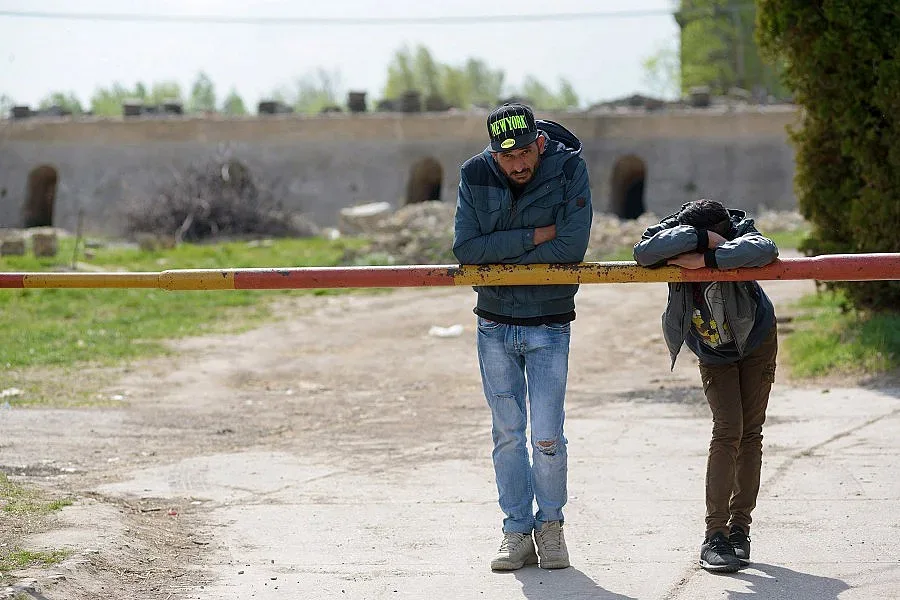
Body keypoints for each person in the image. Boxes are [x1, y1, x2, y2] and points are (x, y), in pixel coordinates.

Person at [453, 103, 592, 571]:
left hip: (550, 323)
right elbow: (467, 251)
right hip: (493, 323)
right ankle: (516, 531)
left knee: (547, 436)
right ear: (493, 154)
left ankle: (550, 528)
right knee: (508, 435)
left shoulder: (570, 166)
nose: (517, 166)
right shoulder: (474, 174)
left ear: (539, 143)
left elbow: (572, 246)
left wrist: (502, 256)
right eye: (506, 158)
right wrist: (535, 237)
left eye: (524, 154)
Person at [633, 199, 779, 573]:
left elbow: (765, 249)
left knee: (750, 433)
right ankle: (714, 536)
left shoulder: (737, 225)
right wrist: (699, 237)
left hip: (756, 337)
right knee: (728, 429)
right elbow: (643, 253)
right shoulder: (673, 230)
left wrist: (711, 259)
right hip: (713, 347)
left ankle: (738, 531)